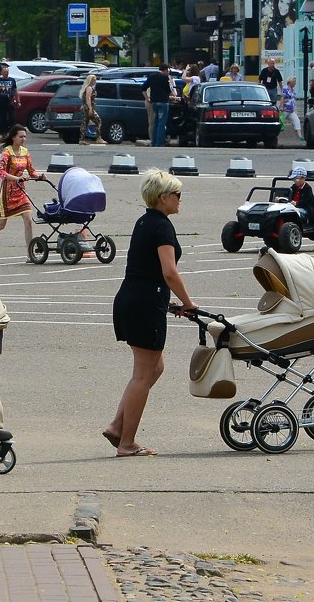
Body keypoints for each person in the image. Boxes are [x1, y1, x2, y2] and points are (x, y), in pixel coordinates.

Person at [103, 169, 196, 457]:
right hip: (144, 302)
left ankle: (118, 426)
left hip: (132, 299)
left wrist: (169, 302)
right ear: (163, 197)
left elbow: (148, 270)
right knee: (143, 374)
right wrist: (189, 303)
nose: (180, 199)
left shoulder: (145, 222)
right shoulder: (162, 226)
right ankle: (127, 443)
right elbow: (169, 272)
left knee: (155, 367)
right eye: (177, 194)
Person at [0, 124, 45, 262]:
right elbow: (2, 173)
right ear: (13, 137)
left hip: (21, 191)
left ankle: (29, 253)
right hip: (8, 192)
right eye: (21, 136)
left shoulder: (25, 152)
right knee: (1, 224)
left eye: (25, 136)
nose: (23, 139)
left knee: (28, 220)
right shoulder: (7, 152)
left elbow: (31, 170)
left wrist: (39, 176)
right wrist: (17, 178)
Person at [143, 63, 174, 147]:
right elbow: (169, 90)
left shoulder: (152, 76)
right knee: (162, 123)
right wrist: (171, 83)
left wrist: (147, 98)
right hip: (163, 101)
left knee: (155, 122)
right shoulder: (165, 77)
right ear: (165, 70)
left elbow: (143, 87)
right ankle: (159, 143)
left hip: (154, 102)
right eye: (168, 70)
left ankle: (153, 141)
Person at [78, 73, 105, 144]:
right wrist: (90, 108)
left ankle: (82, 139)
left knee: (85, 122)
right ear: (90, 80)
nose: (95, 81)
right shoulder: (89, 88)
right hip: (88, 107)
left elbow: (84, 98)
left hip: (85, 107)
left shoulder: (86, 88)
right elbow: (88, 98)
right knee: (98, 121)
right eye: (94, 80)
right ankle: (98, 138)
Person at [281, 76, 303, 141]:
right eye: (294, 82)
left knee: (297, 121)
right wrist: (282, 106)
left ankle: (300, 136)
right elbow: (282, 97)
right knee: (281, 122)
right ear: (290, 82)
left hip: (291, 110)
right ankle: (274, 135)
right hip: (285, 109)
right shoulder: (285, 88)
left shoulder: (292, 89)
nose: (295, 83)